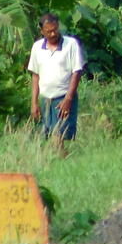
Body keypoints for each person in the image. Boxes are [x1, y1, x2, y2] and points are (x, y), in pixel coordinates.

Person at [27, 14, 85, 156]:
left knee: (57, 136)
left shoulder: (70, 44)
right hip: (46, 99)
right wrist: (34, 103)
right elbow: (35, 75)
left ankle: (63, 160)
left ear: (58, 27)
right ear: (42, 31)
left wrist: (68, 99)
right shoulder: (37, 48)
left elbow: (76, 72)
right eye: (49, 31)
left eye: (55, 30)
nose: (53, 34)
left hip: (63, 98)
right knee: (49, 136)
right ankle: (64, 161)